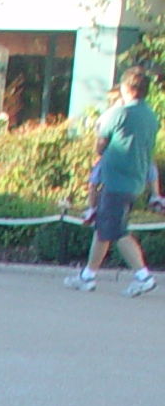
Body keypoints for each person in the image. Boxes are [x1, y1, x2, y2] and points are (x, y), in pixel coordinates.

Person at [64, 68, 160, 295]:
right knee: (104, 228)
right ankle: (87, 275)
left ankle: (142, 275)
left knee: (116, 230)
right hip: (135, 181)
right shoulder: (151, 116)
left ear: (127, 88)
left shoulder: (119, 113)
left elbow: (101, 145)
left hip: (116, 181)